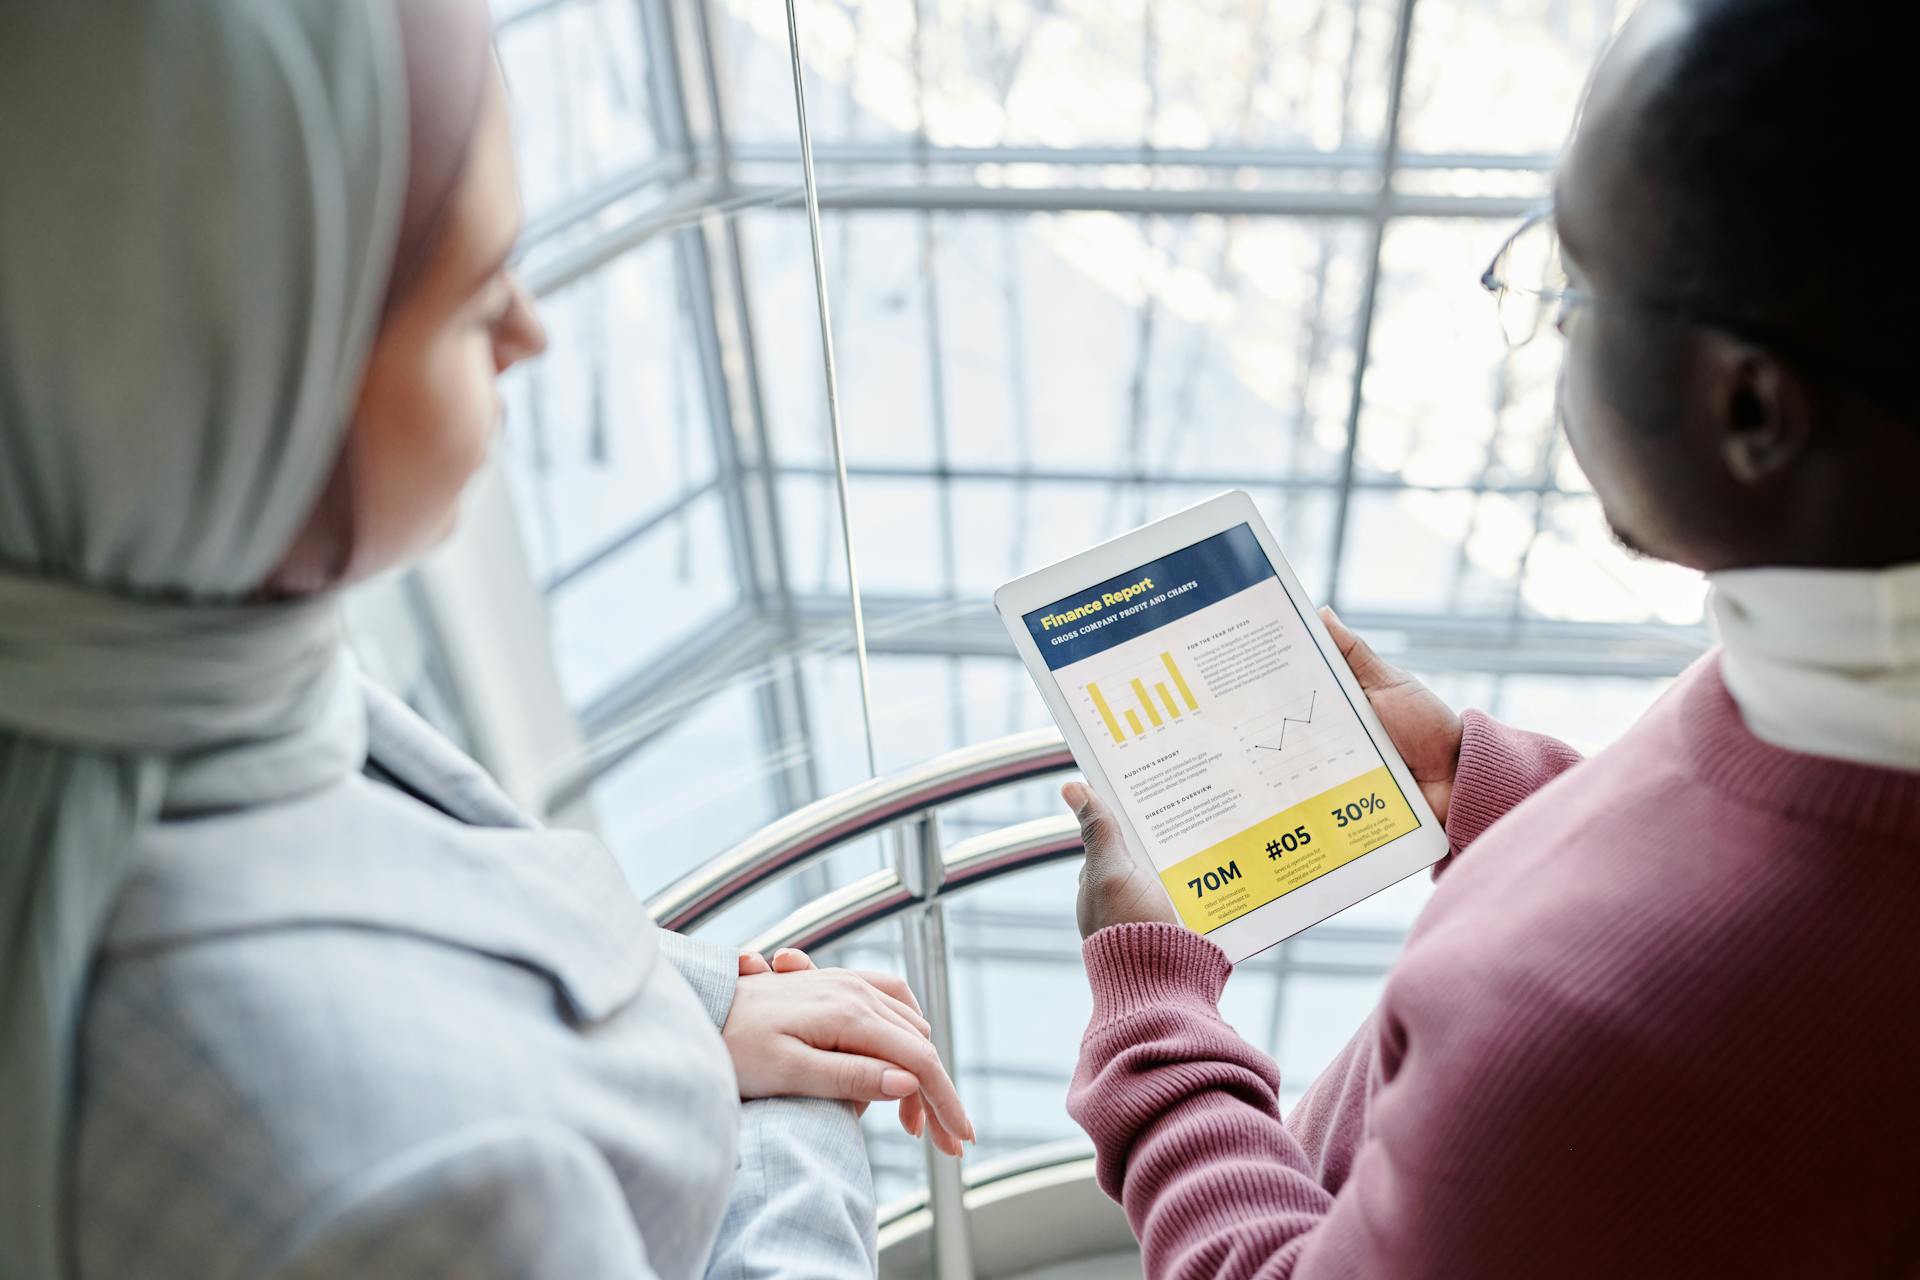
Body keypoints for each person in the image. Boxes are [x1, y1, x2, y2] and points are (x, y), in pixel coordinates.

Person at [0, 4, 970, 1278]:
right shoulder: (405, 1178)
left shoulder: (150, 650)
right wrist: (794, 1130)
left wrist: (697, 1005)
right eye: (471, 298)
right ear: (234, 384)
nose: (531, 331)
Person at [1058, 1, 1920, 1275]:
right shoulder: (1845, 625)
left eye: (1580, 280)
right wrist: (1487, 783)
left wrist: (1152, 1013)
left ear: (1751, 406)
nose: (1553, 320)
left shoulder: (1588, 1052)